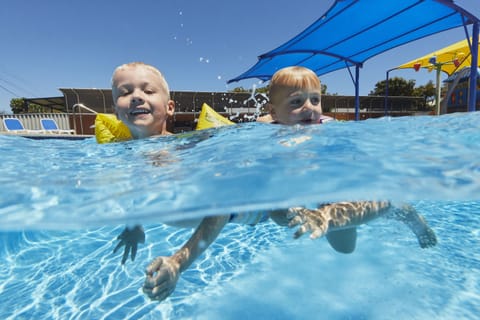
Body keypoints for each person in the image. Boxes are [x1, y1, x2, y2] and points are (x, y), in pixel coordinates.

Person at [112, 63, 437, 302]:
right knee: (343, 246)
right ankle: (357, 212)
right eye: (125, 93)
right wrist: (133, 224)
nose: (137, 98)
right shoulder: (124, 155)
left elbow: (223, 201)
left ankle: (393, 205)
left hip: (289, 192)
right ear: (115, 108)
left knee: (329, 220)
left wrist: (178, 262)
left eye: (146, 90)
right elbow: (138, 189)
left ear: (169, 106)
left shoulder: (187, 147)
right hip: (272, 202)